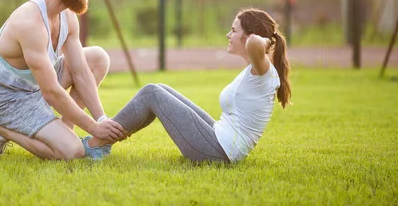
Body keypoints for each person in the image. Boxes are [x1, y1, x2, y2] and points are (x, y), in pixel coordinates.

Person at [0, 0, 127, 160]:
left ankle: (65, 132)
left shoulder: (67, 15)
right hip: (10, 100)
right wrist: (94, 129)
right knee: (73, 152)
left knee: (97, 58)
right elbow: (51, 92)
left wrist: (101, 119)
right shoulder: (30, 23)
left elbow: (80, 70)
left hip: (35, 87)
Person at [84, 8, 292, 163]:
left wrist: (265, 40)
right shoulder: (255, 71)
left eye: (233, 30)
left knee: (152, 93)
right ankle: (104, 141)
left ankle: (96, 143)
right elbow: (254, 44)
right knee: (160, 88)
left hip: (218, 151)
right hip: (219, 139)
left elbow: (255, 43)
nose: (228, 36)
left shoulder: (263, 71)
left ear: (248, 36)